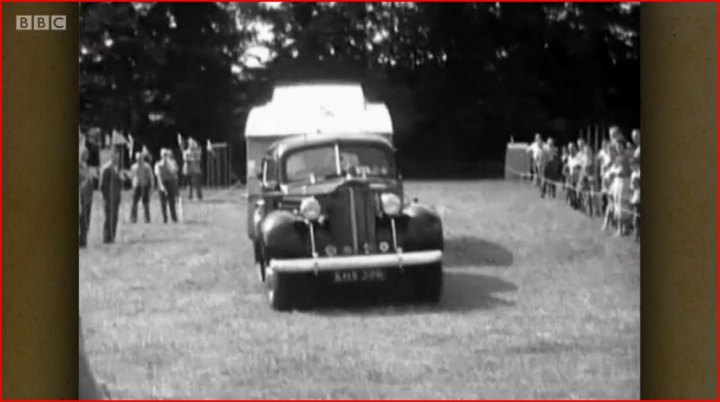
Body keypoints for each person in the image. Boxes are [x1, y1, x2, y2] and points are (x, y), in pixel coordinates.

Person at [100, 149, 123, 244]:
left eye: (117, 156)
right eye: (114, 156)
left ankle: (112, 236)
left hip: (116, 198)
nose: (116, 158)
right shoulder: (106, 168)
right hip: (109, 198)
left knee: (115, 218)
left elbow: (120, 183)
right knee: (108, 218)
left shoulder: (117, 168)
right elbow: (102, 185)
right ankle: (106, 238)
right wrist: (106, 197)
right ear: (111, 156)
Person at [155, 148, 179, 223]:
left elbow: (174, 173)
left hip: (170, 183)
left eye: (166, 154)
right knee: (163, 203)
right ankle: (165, 219)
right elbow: (158, 176)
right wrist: (161, 186)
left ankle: (174, 218)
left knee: (172, 201)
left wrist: (171, 165)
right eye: (164, 155)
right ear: (161, 155)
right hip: (162, 183)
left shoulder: (170, 164)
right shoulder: (158, 165)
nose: (165, 156)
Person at [130, 152, 154, 223]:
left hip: (145, 186)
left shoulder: (147, 166)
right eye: (137, 159)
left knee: (146, 204)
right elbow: (132, 177)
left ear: (143, 159)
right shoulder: (133, 167)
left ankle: (147, 219)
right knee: (134, 203)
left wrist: (152, 186)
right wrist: (133, 186)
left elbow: (151, 177)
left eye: (140, 159)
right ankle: (133, 219)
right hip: (136, 186)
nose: (139, 160)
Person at [79, 149, 95, 248]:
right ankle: (82, 240)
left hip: (88, 196)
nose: (86, 156)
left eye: (87, 154)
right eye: (84, 154)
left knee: (86, 218)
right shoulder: (80, 166)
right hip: (82, 196)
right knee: (83, 218)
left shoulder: (86, 166)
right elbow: (83, 180)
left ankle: (84, 239)